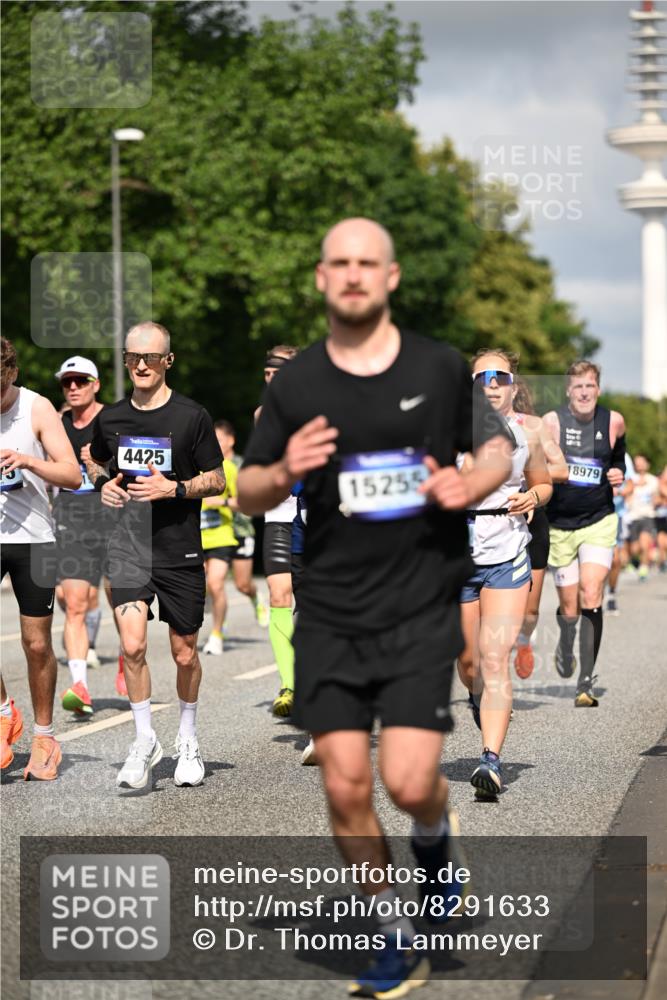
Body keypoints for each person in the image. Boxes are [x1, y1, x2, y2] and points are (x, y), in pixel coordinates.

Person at [238, 217, 513, 998]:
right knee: (345, 783)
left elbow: (495, 448)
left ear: (389, 277)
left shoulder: (437, 364)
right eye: (340, 262)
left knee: (408, 779)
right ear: (323, 277)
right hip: (330, 608)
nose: (354, 274)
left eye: (369, 262)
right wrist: (283, 467)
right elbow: (247, 487)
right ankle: (395, 939)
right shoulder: (295, 386)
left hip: (418, 600)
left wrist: (474, 482)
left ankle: (432, 840)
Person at [87, 322, 225, 790]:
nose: (141, 365)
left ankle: (187, 737)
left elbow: (218, 478)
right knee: (132, 646)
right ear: (125, 361)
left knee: (185, 653)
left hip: (178, 549)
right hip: (127, 546)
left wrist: (176, 488)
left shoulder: (192, 417)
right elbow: (96, 458)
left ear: (168, 361)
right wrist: (104, 484)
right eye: (132, 357)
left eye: (150, 357)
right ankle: (145, 740)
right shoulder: (112, 419)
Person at [456, 352, 553, 800]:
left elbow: (544, 481)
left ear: (514, 386)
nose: (492, 384)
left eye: (502, 377)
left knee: (494, 658)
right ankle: (482, 706)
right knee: (469, 663)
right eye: (483, 377)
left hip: (507, 553)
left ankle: (490, 760)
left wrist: (533, 494)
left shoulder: (529, 431)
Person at [0, 336, 81, 779]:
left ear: (10, 374)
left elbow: (71, 473)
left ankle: (45, 736)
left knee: (35, 644)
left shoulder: (36, 407)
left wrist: (28, 462)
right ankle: (2, 713)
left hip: (35, 539)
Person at [544, 361, 626, 708]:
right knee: (569, 607)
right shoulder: (552, 422)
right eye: (577, 386)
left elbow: (619, 459)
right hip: (560, 524)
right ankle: (565, 640)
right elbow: (538, 464)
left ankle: (586, 680)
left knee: (592, 591)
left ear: (598, 389)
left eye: (589, 386)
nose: (583, 392)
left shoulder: (614, 421)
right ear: (568, 390)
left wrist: (618, 473)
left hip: (599, 519)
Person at [52, 356, 124, 715]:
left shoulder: (114, 419)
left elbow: (137, 468)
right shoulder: (57, 424)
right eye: (68, 382)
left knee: (119, 600)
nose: (74, 387)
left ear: (96, 384)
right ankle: (79, 685)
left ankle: (129, 655)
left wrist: (102, 464)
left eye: (81, 381)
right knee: (76, 604)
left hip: (114, 522)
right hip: (72, 522)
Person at [511, 377, 568, 678]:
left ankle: (523, 640)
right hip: (488, 520)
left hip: (533, 517)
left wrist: (530, 471)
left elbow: (562, 469)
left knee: (529, 611)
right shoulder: (469, 423)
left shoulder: (532, 425)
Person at [257, 346, 300, 717]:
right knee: (278, 594)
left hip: (315, 517)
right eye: (267, 374)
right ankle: (289, 685)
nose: (271, 380)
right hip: (277, 517)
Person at [200, 419, 268, 655]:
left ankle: (254, 598)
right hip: (211, 534)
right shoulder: (202, 463)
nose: (216, 444)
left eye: (220, 439)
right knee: (209, 585)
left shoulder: (238, 465)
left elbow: (250, 504)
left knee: (240, 583)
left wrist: (221, 502)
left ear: (231, 440)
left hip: (240, 530)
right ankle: (221, 619)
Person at [625, 454, 659, 581]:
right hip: (632, 516)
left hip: (648, 515)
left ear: (647, 464)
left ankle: (644, 568)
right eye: (636, 462)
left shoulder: (653, 480)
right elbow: (625, 495)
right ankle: (635, 561)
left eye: (641, 462)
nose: (639, 464)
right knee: (634, 548)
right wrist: (634, 486)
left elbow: (658, 497)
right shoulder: (631, 479)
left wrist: (656, 501)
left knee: (645, 543)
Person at [655, 465, 667, 572]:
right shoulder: (660, 483)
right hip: (661, 513)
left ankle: (663, 561)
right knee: (661, 538)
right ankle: (663, 561)